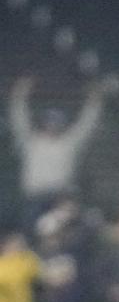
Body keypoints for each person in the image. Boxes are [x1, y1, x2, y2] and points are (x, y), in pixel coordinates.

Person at [7, 75, 104, 229]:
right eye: (49, 122)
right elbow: (19, 120)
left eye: (56, 123)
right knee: (30, 232)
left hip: (59, 198)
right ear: (44, 123)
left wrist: (94, 103)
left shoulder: (69, 143)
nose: (52, 126)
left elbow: (87, 126)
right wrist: (19, 96)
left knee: (61, 232)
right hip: (34, 197)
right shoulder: (31, 141)